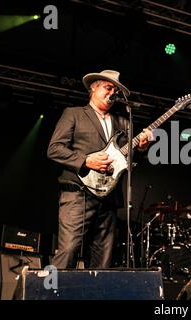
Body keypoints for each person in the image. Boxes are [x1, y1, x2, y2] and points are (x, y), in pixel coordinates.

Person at [47, 69, 152, 269]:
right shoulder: (74, 114)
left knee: (103, 257)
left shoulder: (123, 122)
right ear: (93, 89)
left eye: (115, 90)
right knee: (68, 250)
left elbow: (125, 159)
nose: (112, 93)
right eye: (108, 87)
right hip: (77, 194)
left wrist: (141, 148)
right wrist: (86, 160)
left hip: (109, 198)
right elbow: (54, 149)